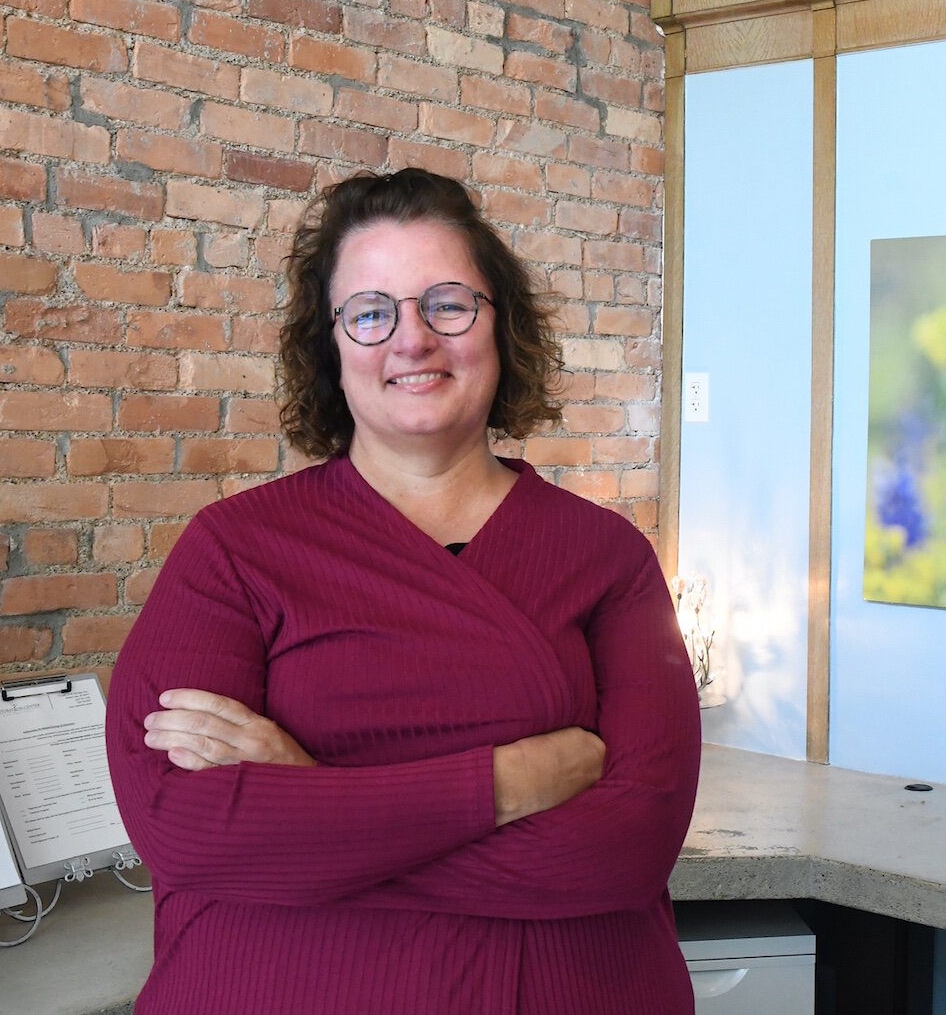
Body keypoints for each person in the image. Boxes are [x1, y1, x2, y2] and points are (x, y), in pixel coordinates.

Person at [106, 167, 702, 1015]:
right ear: (332, 345)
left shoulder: (606, 556)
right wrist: (501, 785)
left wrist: (307, 800)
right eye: (372, 312)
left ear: (501, 328)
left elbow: (628, 848)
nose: (412, 339)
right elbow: (183, 825)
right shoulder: (233, 550)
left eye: (447, 303)